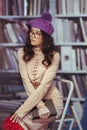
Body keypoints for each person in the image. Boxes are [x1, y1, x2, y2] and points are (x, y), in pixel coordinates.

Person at [2, 13, 63, 130]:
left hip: (52, 102)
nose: (33, 36)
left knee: (21, 120)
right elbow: (26, 82)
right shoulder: (22, 53)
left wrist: (22, 111)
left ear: (45, 37)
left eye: (37, 33)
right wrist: (40, 106)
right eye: (31, 32)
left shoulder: (54, 55)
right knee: (20, 119)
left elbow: (44, 86)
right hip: (34, 102)